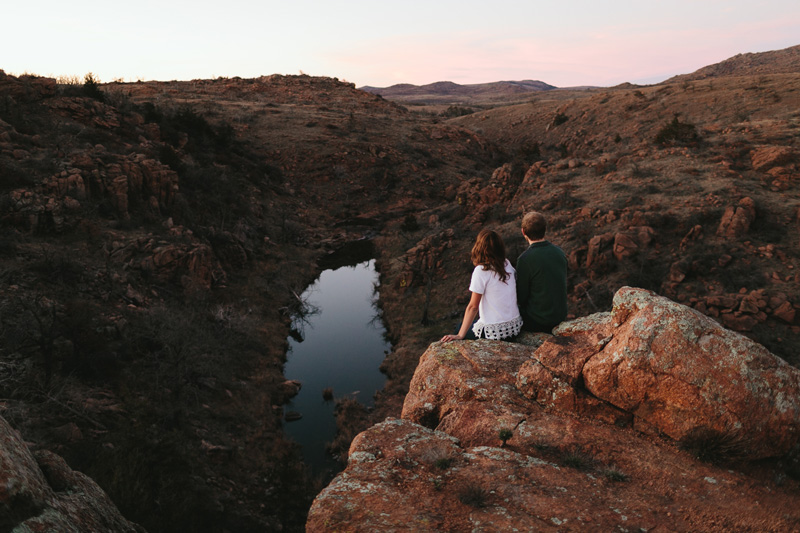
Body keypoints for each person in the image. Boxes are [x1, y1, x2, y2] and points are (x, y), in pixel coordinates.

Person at [441, 229, 522, 342]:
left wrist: (460, 335)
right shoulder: (507, 264)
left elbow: (473, 307)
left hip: (496, 333)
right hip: (514, 328)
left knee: (460, 328)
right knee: (470, 325)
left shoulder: (482, 271)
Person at [516, 211, 568, 333]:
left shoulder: (525, 260)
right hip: (560, 316)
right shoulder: (559, 253)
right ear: (545, 229)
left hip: (538, 321)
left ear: (523, 232)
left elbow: (521, 297)